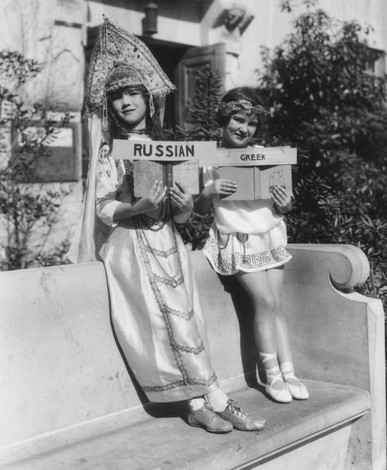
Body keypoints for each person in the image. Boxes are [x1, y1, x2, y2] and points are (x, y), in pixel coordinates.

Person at [71, 18, 265, 433]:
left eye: (132, 93)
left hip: (170, 242)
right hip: (132, 247)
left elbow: (184, 212)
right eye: (117, 96)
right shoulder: (110, 150)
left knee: (189, 318)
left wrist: (183, 204)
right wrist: (136, 205)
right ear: (110, 105)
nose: (125, 102)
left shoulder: (169, 146)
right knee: (162, 322)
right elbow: (104, 206)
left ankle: (215, 397)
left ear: (147, 97)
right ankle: (198, 402)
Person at [194, 87, 309, 403]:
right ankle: (271, 376)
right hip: (238, 240)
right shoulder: (209, 159)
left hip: (270, 236)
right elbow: (199, 211)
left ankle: (289, 372)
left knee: (277, 307)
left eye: (251, 123)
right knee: (265, 302)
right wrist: (210, 190)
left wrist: (285, 204)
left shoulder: (267, 156)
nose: (243, 129)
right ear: (224, 118)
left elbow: (281, 204)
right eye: (237, 120)